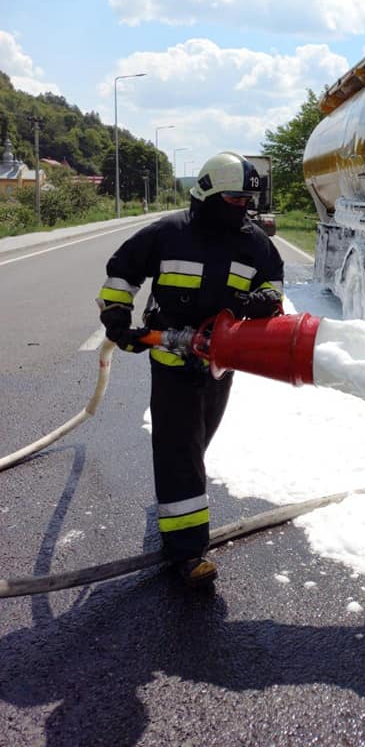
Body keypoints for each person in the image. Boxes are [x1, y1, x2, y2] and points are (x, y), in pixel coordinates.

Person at [97, 151, 284, 587]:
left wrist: (265, 300)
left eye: (248, 200)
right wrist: (118, 317)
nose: (244, 208)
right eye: (236, 199)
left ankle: (180, 500)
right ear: (210, 192)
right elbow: (121, 274)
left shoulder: (253, 241)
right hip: (171, 360)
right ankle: (186, 553)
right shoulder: (168, 233)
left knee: (198, 442)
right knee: (179, 450)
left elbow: (273, 281)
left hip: (219, 365)